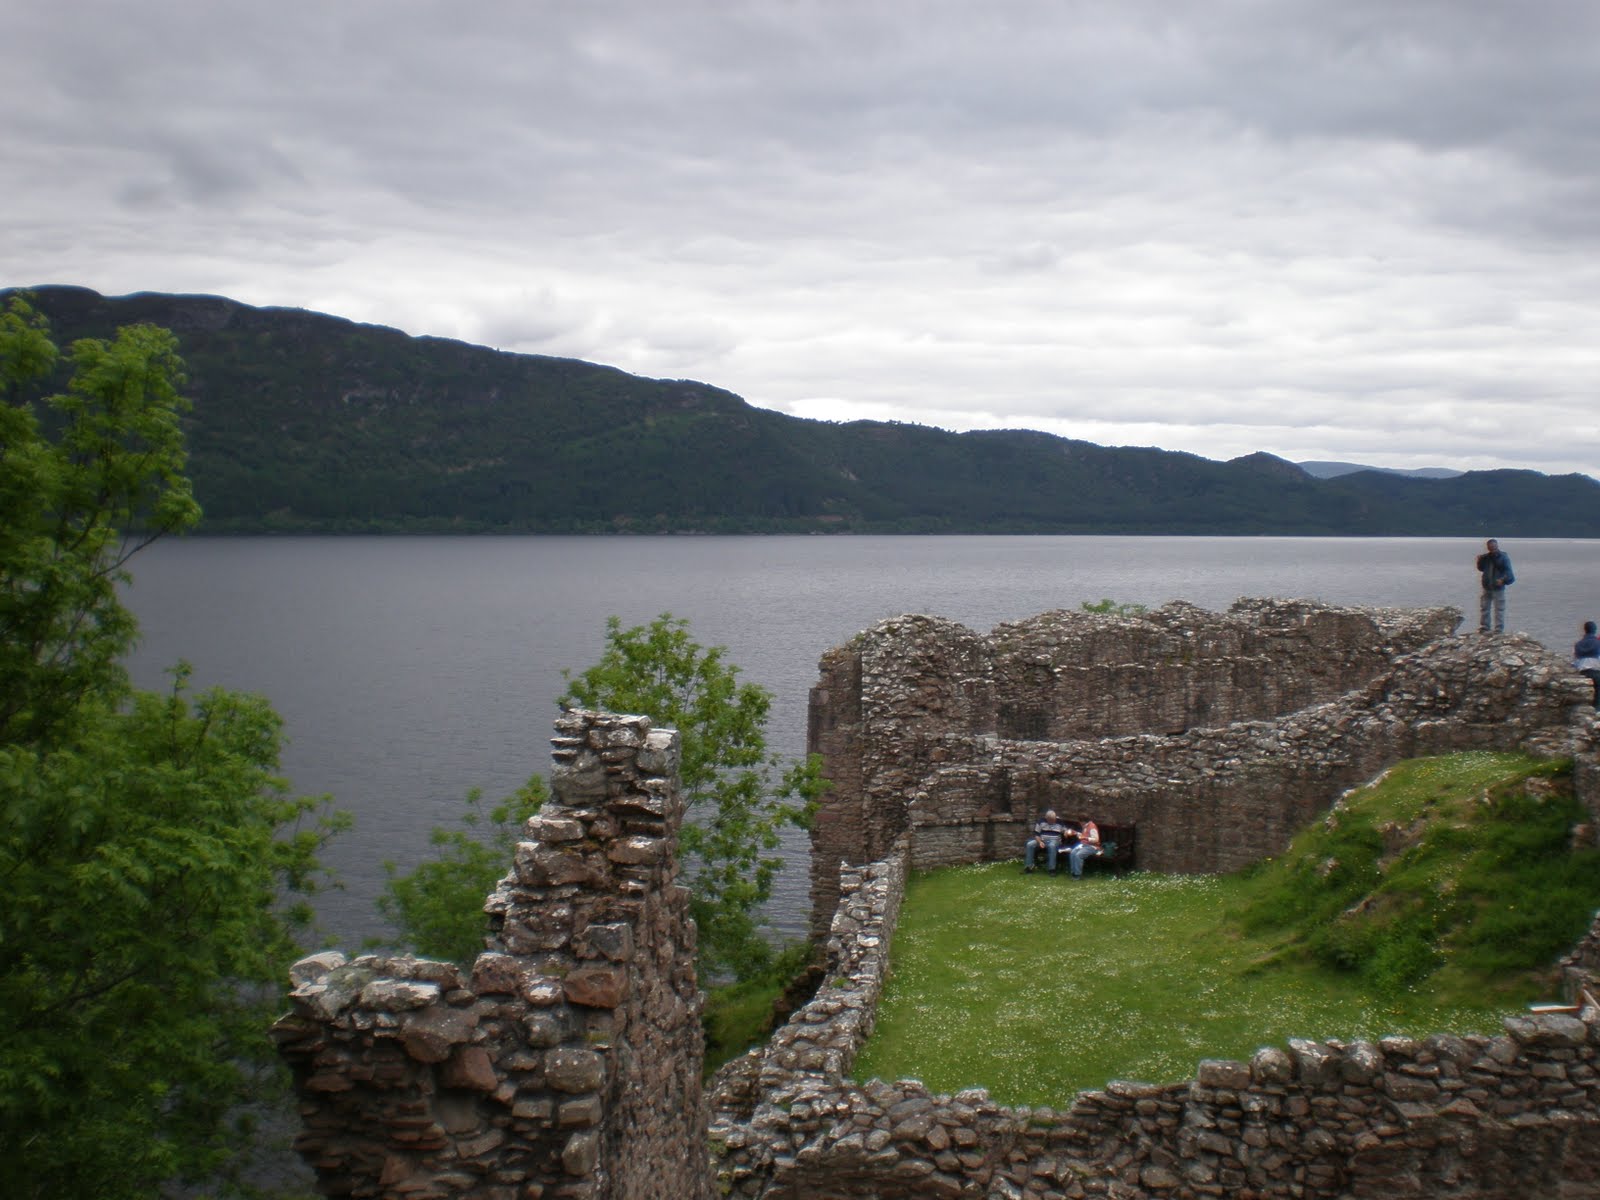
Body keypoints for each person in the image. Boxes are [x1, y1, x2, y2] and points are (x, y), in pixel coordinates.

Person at [1475, 538, 1514, 633]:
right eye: (1491, 547)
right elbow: (1481, 568)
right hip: (1487, 586)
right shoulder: (1485, 558)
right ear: (1488, 547)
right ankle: (1484, 627)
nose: (1492, 548)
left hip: (1498, 587)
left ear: (1497, 546)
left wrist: (1503, 580)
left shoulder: (1503, 557)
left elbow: (1509, 572)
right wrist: (1479, 561)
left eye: (1494, 546)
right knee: (1484, 608)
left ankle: (1498, 629)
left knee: (1499, 609)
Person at [1574, 621, 1600, 710]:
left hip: (1582, 672)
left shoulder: (1578, 644)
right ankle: (1597, 710)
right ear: (1594, 630)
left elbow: (1576, 659)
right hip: (1596, 671)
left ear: (1585, 630)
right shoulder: (1597, 643)